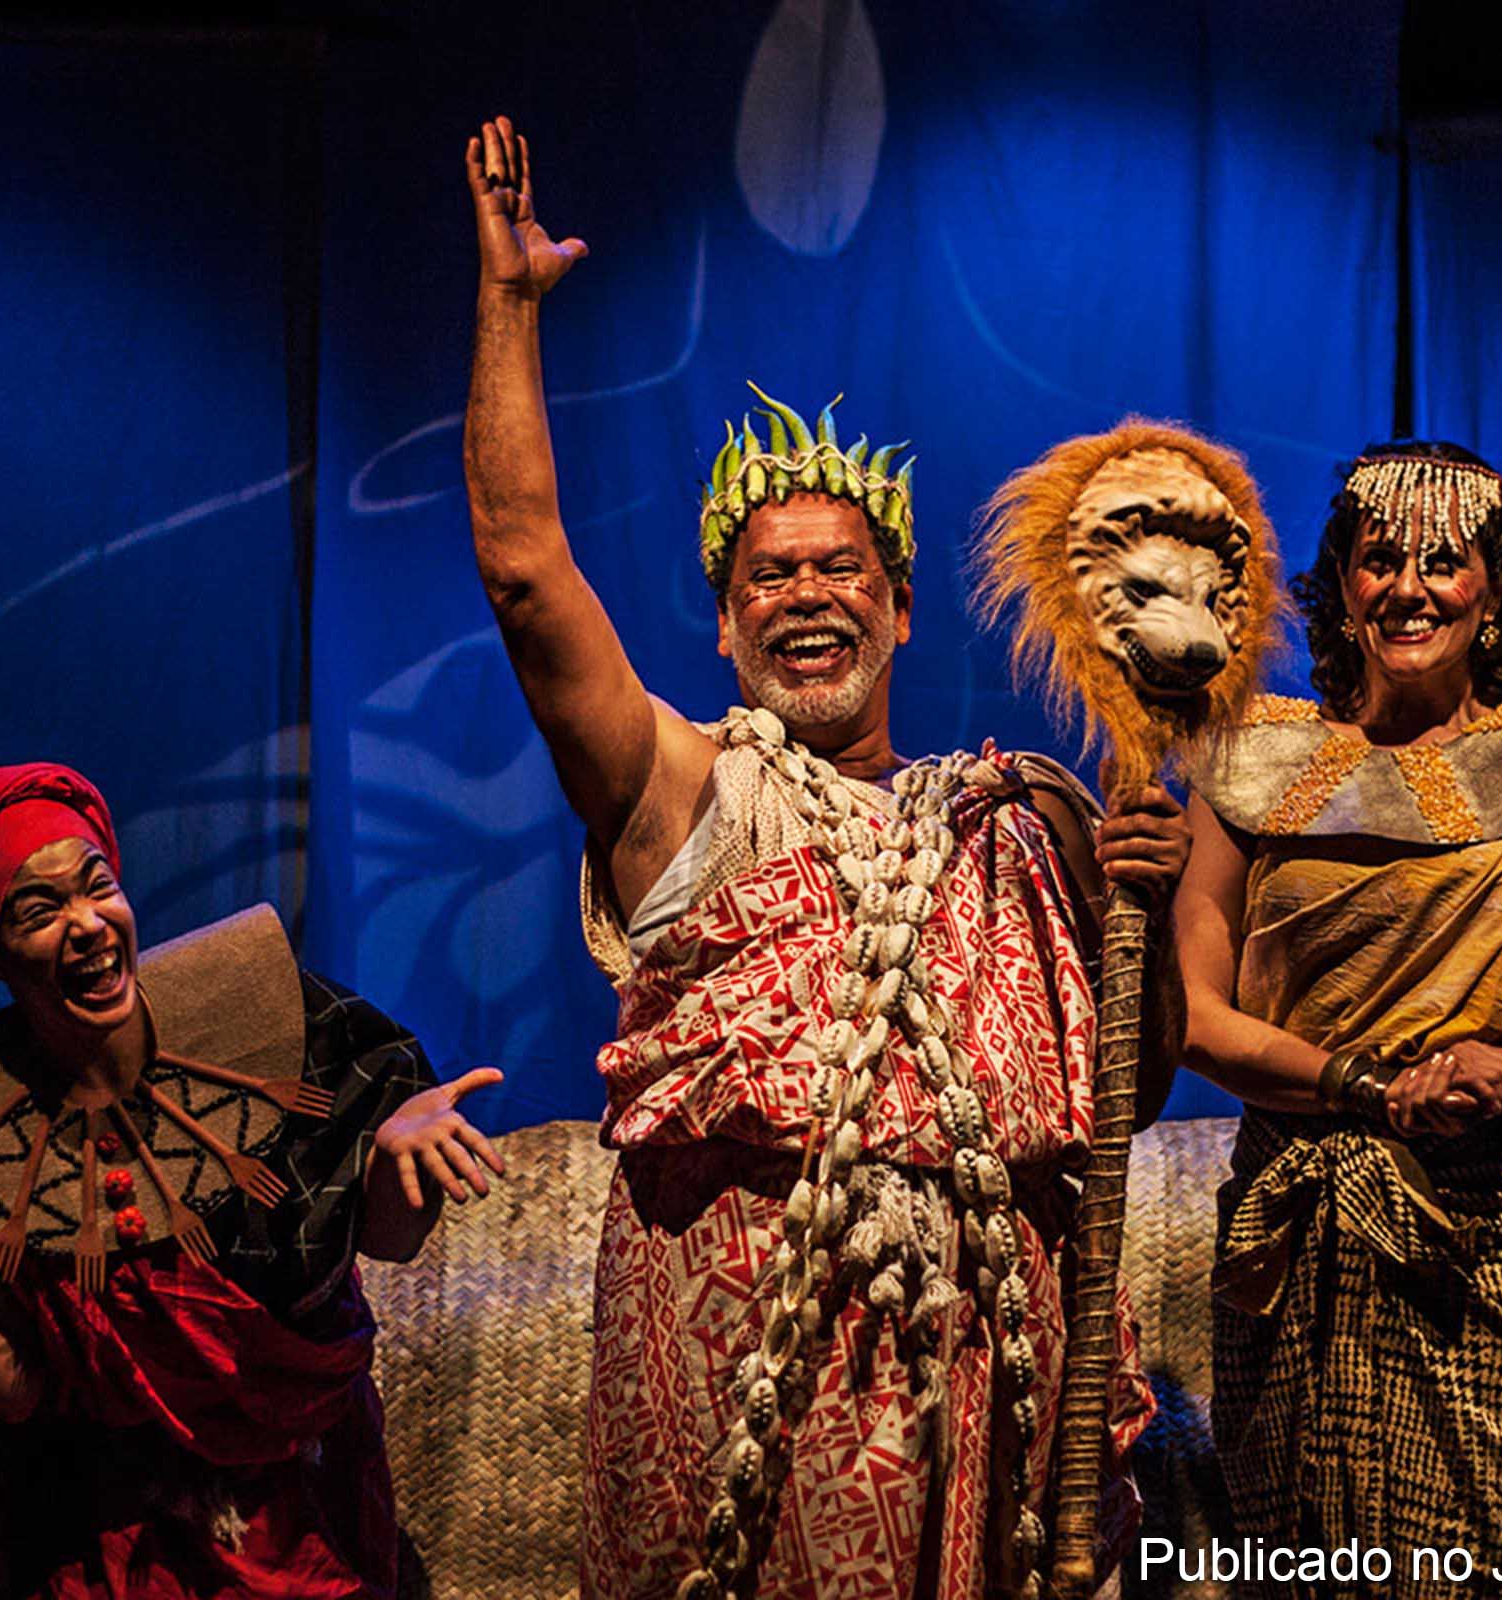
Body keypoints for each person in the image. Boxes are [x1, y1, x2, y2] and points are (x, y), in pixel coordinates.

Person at [461, 116, 1183, 1600]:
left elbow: (1130, 1086)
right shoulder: (686, 791)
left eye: (840, 567)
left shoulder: (1013, 822)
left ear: (901, 610)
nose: (805, 593)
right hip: (745, 1393)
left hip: (986, 1385)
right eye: (766, 575)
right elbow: (528, 574)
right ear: (724, 627)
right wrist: (510, 309)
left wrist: (1148, 918)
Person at [0, 762, 505, 1600]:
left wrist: (391, 1159)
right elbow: (16, 1390)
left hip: (302, 1517)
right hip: (121, 1536)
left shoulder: (272, 1022)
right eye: (40, 912)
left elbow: (386, 1244)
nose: (87, 924)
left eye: (96, 887)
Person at [1174, 443, 1502, 1596]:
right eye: (1379, 559)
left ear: (1496, 591)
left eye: (1444, 560)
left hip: (1493, 1242)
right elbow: (1193, 1016)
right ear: (1341, 588)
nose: (1409, 585)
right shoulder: (1251, 757)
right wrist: (1366, 1086)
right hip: (1299, 1230)